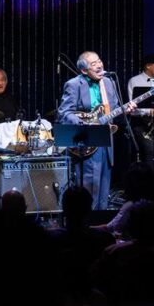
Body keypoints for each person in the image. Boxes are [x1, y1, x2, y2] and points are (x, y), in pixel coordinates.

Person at [58, 51, 135, 210]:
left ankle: (101, 222)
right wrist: (85, 124)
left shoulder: (109, 82)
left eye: (99, 61)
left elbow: (113, 110)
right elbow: (64, 113)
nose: (99, 65)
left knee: (103, 190)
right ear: (84, 70)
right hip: (86, 141)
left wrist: (125, 110)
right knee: (89, 189)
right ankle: (87, 222)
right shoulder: (74, 84)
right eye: (94, 64)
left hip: (106, 141)